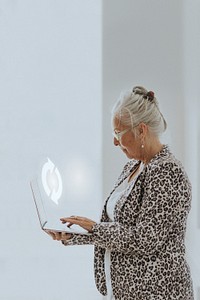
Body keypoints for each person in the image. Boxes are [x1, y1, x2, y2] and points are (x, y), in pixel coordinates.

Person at [46, 86, 194, 299]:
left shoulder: (167, 171)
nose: (115, 142)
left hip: (158, 293)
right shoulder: (134, 167)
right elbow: (121, 231)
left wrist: (95, 228)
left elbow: (144, 240)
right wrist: (75, 235)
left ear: (141, 130)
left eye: (118, 133)